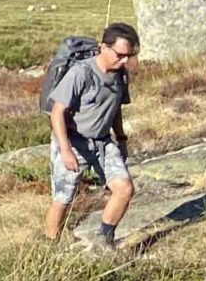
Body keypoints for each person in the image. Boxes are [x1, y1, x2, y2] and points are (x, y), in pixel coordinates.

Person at [44, 22, 139, 249]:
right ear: (103, 48)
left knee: (125, 189)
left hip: (104, 142)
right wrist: (66, 150)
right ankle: (50, 248)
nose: (125, 61)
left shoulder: (120, 76)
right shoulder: (81, 73)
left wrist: (122, 138)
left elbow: (115, 108)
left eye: (129, 56)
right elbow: (57, 112)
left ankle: (103, 241)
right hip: (73, 141)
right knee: (63, 199)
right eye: (120, 55)